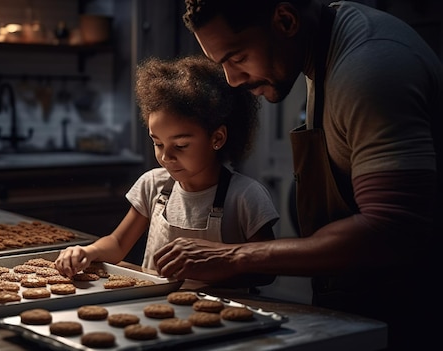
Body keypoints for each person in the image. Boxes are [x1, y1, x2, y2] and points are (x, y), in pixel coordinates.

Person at [153, 1, 443, 349]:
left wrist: (233, 256)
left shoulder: (369, 66)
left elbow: (393, 228)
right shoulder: (322, 54)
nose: (232, 79)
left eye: (238, 56)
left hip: (414, 318)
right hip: (369, 308)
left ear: (286, 20)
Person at [55, 55, 279, 289]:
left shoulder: (245, 196)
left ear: (217, 138)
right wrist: (86, 251)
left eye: (180, 145)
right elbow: (118, 243)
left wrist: (221, 268)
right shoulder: (152, 185)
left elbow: (266, 272)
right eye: (158, 143)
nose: (166, 157)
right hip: (156, 308)